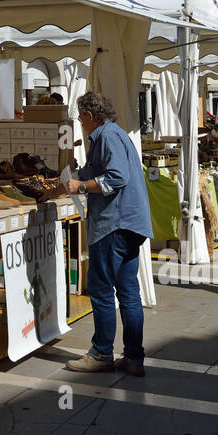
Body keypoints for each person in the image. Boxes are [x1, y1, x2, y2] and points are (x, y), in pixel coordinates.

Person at [63, 91, 153, 376]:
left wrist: (80, 187)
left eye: (80, 116)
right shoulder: (111, 135)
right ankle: (134, 358)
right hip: (130, 223)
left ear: (90, 116)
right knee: (128, 291)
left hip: (115, 223)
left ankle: (102, 352)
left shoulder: (108, 136)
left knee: (102, 290)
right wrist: (72, 175)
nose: (79, 121)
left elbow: (116, 177)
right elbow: (94, 171)